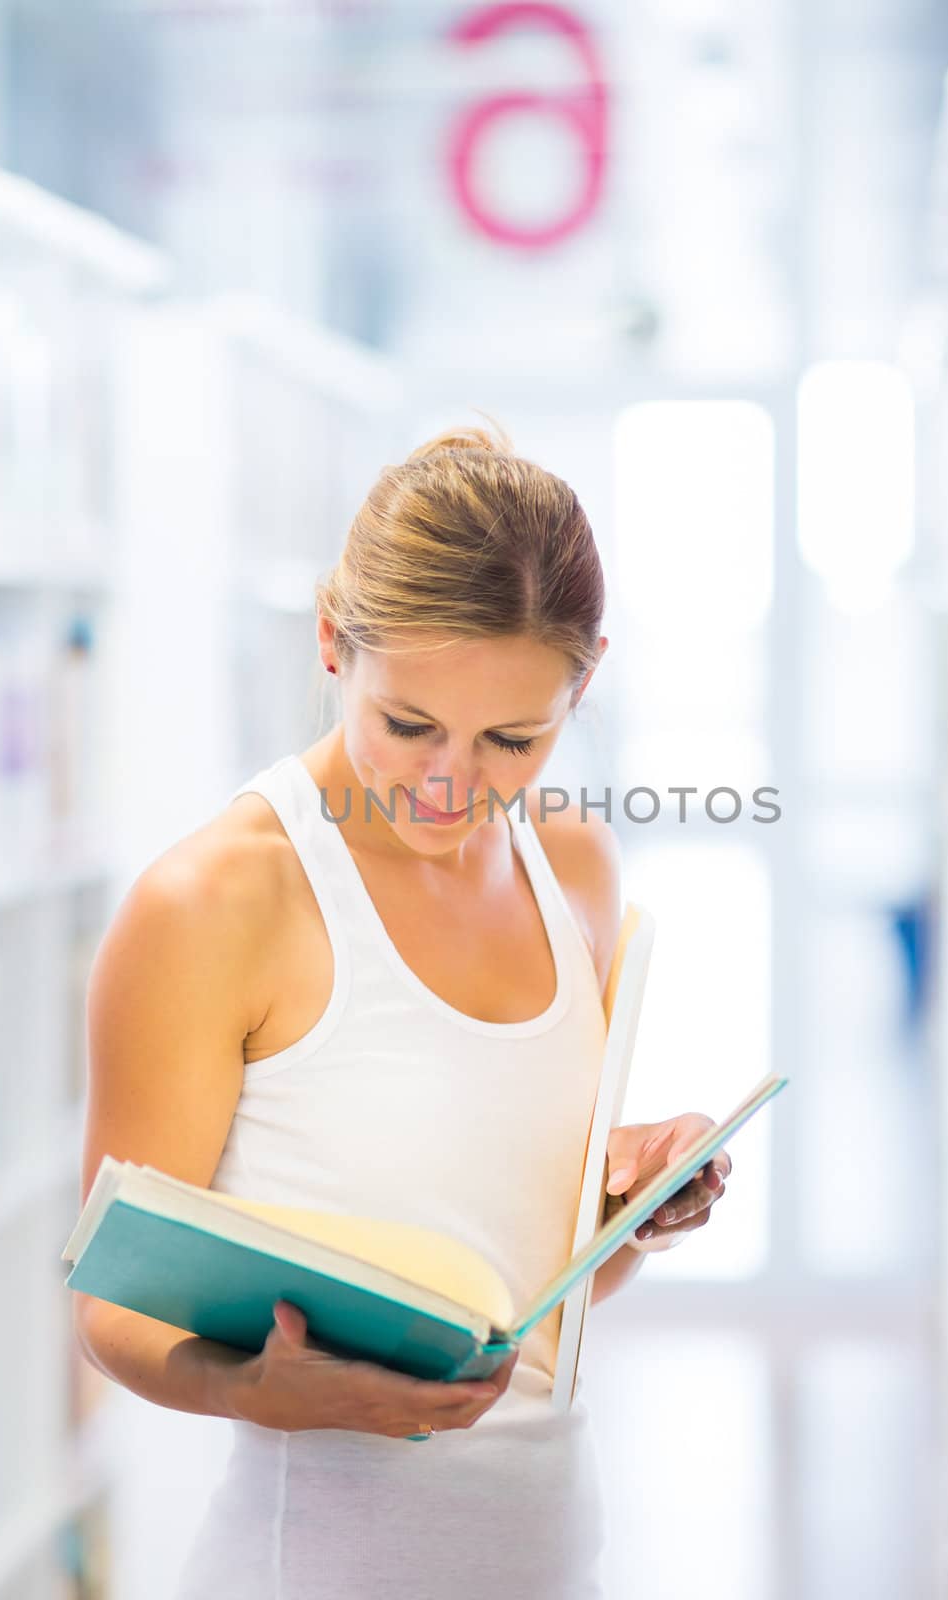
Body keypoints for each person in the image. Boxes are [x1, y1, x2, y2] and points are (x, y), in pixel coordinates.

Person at [72, 422, 734, 1598]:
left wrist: (627, 1210)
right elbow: (110, 1303)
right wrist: (242, 1385)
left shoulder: (574, 867)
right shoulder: (216, 900)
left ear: (584, 686)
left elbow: (520, 1303)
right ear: (332, 644)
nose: (449, 782)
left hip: (547, 1555)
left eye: (512, 739)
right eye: (409, 724)